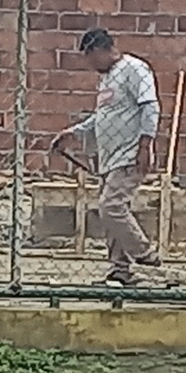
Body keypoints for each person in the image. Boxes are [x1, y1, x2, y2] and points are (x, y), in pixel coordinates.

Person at [50, 27, 163, 286]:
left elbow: (150, 107)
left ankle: (144, 253)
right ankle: (120, 270)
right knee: (112, 212)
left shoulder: (135, 69)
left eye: (91, 59)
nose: (91, 66)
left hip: (130, 154)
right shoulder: (106, 79)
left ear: (102, 50)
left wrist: (145, 146)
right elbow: (102, 117)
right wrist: (74, 132)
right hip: (110, 158)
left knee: (111, 206)